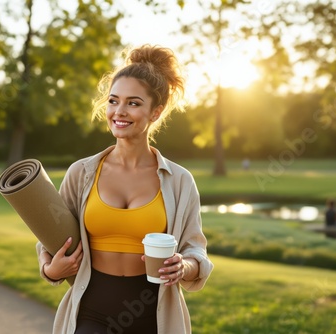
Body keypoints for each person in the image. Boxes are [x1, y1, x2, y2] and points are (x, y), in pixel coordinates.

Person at [37, 44, 214, 334]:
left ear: (155, 112)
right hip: (91, 313)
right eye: (113, 101)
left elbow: (196, 250)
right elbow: (50, 237)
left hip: (154, 318)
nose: (119, 111)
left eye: (133, 103)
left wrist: (185, 267)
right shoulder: (81, 173)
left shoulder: (179, 181)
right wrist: (49, 269)